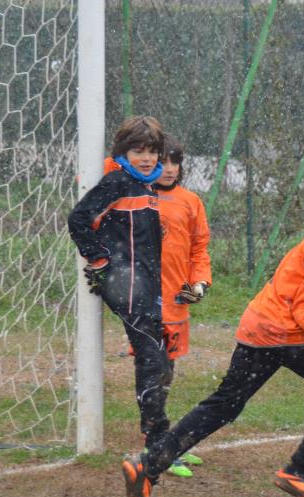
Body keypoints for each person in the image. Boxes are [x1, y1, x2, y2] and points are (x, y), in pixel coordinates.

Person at [122, 160, 304, 497]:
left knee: (225, 403)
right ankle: (299, 471)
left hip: (262, 327)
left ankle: (147, 466)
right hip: (284, 332)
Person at [67, 115, 175, 468]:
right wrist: (100, 260)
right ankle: (157, 443)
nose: (146, 158)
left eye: (152, 151)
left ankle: (157, 436)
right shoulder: (117, 181)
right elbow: (79, 219)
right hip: (126, 281)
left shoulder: (147, 186)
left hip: (146, 282)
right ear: (124, 152)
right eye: (138, 151)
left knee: (157, 356)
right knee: (152, 356)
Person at [104, 134, 212, 478]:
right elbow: (106, 168)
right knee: (153, 369)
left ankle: (162, 439)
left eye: (174, 161)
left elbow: (199, 250)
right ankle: (157, 446)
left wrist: (200, 283)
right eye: (161, 160)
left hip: (176, 303)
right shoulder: (132, 191)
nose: (168, 168)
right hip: (143, 301)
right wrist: (131, 142)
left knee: (166, 372)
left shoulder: (190, 202)